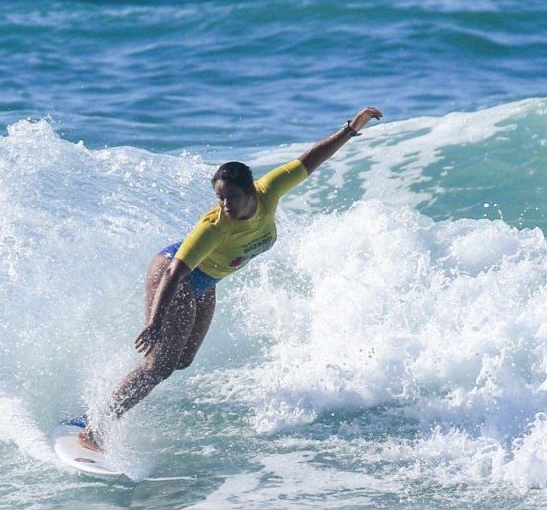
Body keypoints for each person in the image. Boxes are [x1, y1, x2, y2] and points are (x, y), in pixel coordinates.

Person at [79, 107, 384, 451]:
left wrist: (349, 130)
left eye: (232, 198)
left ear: (251, 190)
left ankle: (112, 392)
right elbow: (175, 272)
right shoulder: (214, 228)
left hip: (205, 282)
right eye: (220, 198)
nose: (225, 205)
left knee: (182, 359)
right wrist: (154, 321)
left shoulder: (269, 191)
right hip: (175, 275)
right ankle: (98, 426)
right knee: (159, 366)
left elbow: (310, 160)